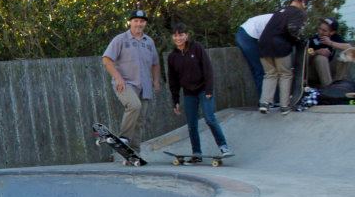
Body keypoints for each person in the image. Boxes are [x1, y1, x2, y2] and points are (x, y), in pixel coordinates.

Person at [167, 24, 231, 161]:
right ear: (172, 37)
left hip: (203, 89)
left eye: (181, 35)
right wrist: (176, 100)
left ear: (186, 35)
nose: (178, 38)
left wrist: (209, 89)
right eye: (175, 35)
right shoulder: (172, 57)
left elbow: (207, 68)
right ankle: (197, 153)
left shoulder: (196, 48)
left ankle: (223, 146)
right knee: (191, 124)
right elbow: (173, 80)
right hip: (188, 93)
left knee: (209, 118)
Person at [102, 9, 161, 156]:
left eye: (141, 21)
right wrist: (118, 78)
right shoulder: (120, 39)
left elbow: (155, 63)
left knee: (139, 121)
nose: (138, 24)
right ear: (130, 22)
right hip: (126, 83)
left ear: (145, 23)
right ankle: (123, 138)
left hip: (145, 86)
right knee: (134, 106)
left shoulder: (149, 42)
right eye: (136, 21)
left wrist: (156, 80)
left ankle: (134, 153)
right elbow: (107, 60)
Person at [257, 0, 311, 114]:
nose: (306, 4)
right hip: (280, 47)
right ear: (302, 0)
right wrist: (300, 39)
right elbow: (293, 30)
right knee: (285, 74)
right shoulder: (298, 13)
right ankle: (284, 106)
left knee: (270, 74)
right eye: (306, 1)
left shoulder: (280, 11)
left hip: (263, 45)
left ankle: (264, 103)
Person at [235, 12, 272, 97]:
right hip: (247, 35)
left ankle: (266, 99)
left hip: (245, 33)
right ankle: (266, 100)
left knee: (259, 69)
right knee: (260, 69)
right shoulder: (280, 20)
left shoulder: (278, 17)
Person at [306, 17, 348, 86]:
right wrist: (317, 52)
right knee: (321, 58)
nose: (320, 32)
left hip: (329, 69)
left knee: (346, 55)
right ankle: (328, 88)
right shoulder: (313, 39)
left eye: (324, 30)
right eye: (320, 29)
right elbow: (306, 54)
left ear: (332, 32)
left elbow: (349, 47)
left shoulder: (335, 37)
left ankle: (339, 84)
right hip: (313, 71)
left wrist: (330, 43)